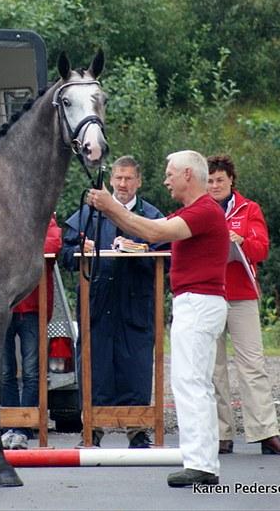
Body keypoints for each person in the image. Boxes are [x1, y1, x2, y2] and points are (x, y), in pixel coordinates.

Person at [87, 150, 228, 488]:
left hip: (198, 302)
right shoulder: (199, 211)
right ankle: (202, 461)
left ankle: (201, 464)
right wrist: (114, 210)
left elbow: (150, 232)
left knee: (190, 384)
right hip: (198, 302)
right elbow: (146, 229)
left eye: (170, 174)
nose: (165, 180)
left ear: (188, 176)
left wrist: (110, 206)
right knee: (195, 385)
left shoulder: (203, 211)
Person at [60, 156, 166, 449]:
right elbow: (65, 254)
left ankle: (138, 430)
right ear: (110, 181)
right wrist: (82, 248)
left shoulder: (153, 215)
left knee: (137, 365)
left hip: (136, 304)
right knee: (95, 365)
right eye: (118, 178)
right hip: (97, 302)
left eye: (128, 178)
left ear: (139, 181)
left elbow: (169, 256)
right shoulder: (89, 214)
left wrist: (141, 249)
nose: (122, 184)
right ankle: (91, 429)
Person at [207, 154, 280, 456]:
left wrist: (241, 240)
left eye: (220, 179)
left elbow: (262, 249)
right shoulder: (198, 209)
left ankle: (265, 432)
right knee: (213, 367)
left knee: (252, 365)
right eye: (210, 180)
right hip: (209, 294)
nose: (215, 185)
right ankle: (221, 434)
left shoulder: (249, 209)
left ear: (231, 180)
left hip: (242, 294)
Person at [1, 214, 62, 450]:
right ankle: (9, 427)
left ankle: (24, 429)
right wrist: (29, 245)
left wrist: (13, 246)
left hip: (34, 307)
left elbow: (53, 244)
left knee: (31, 372)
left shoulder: (44, 213)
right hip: (2, 307)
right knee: (4, 372)